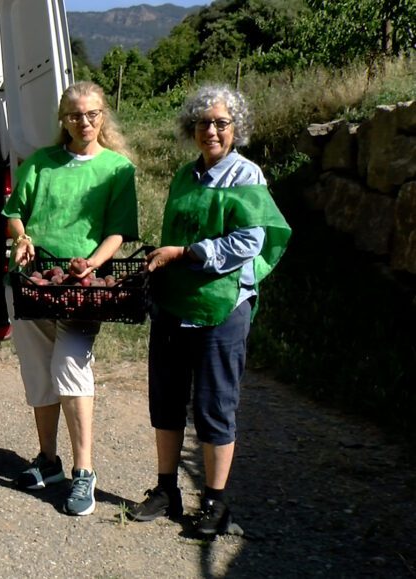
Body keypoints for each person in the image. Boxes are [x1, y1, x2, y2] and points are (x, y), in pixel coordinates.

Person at [129, 85, 290, 535]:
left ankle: (216, 504)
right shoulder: (185, 175)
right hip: (174, 304)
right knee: (166, 399)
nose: (212, 131)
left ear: (236, 129)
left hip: (222, 307)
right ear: (192, 128)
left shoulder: (246, 176)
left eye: (221, 123)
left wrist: (184, 254)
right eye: (203, 123)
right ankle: (166, 489)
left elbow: (250, 241)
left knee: (214, 405)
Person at [2, 82, 139, 516]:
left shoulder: (117, 169)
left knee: (70, 366)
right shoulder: (42, 162)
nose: (85, 122)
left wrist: (93, 264)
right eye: (75, 115)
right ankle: (49, 460)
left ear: (104, 116)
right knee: (40, 372)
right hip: (32, 281)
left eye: (92, 113)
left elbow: (117, 231)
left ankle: (85, 472)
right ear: (63, 119)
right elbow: (13, 213)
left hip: (79, 289)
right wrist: (22, 239)